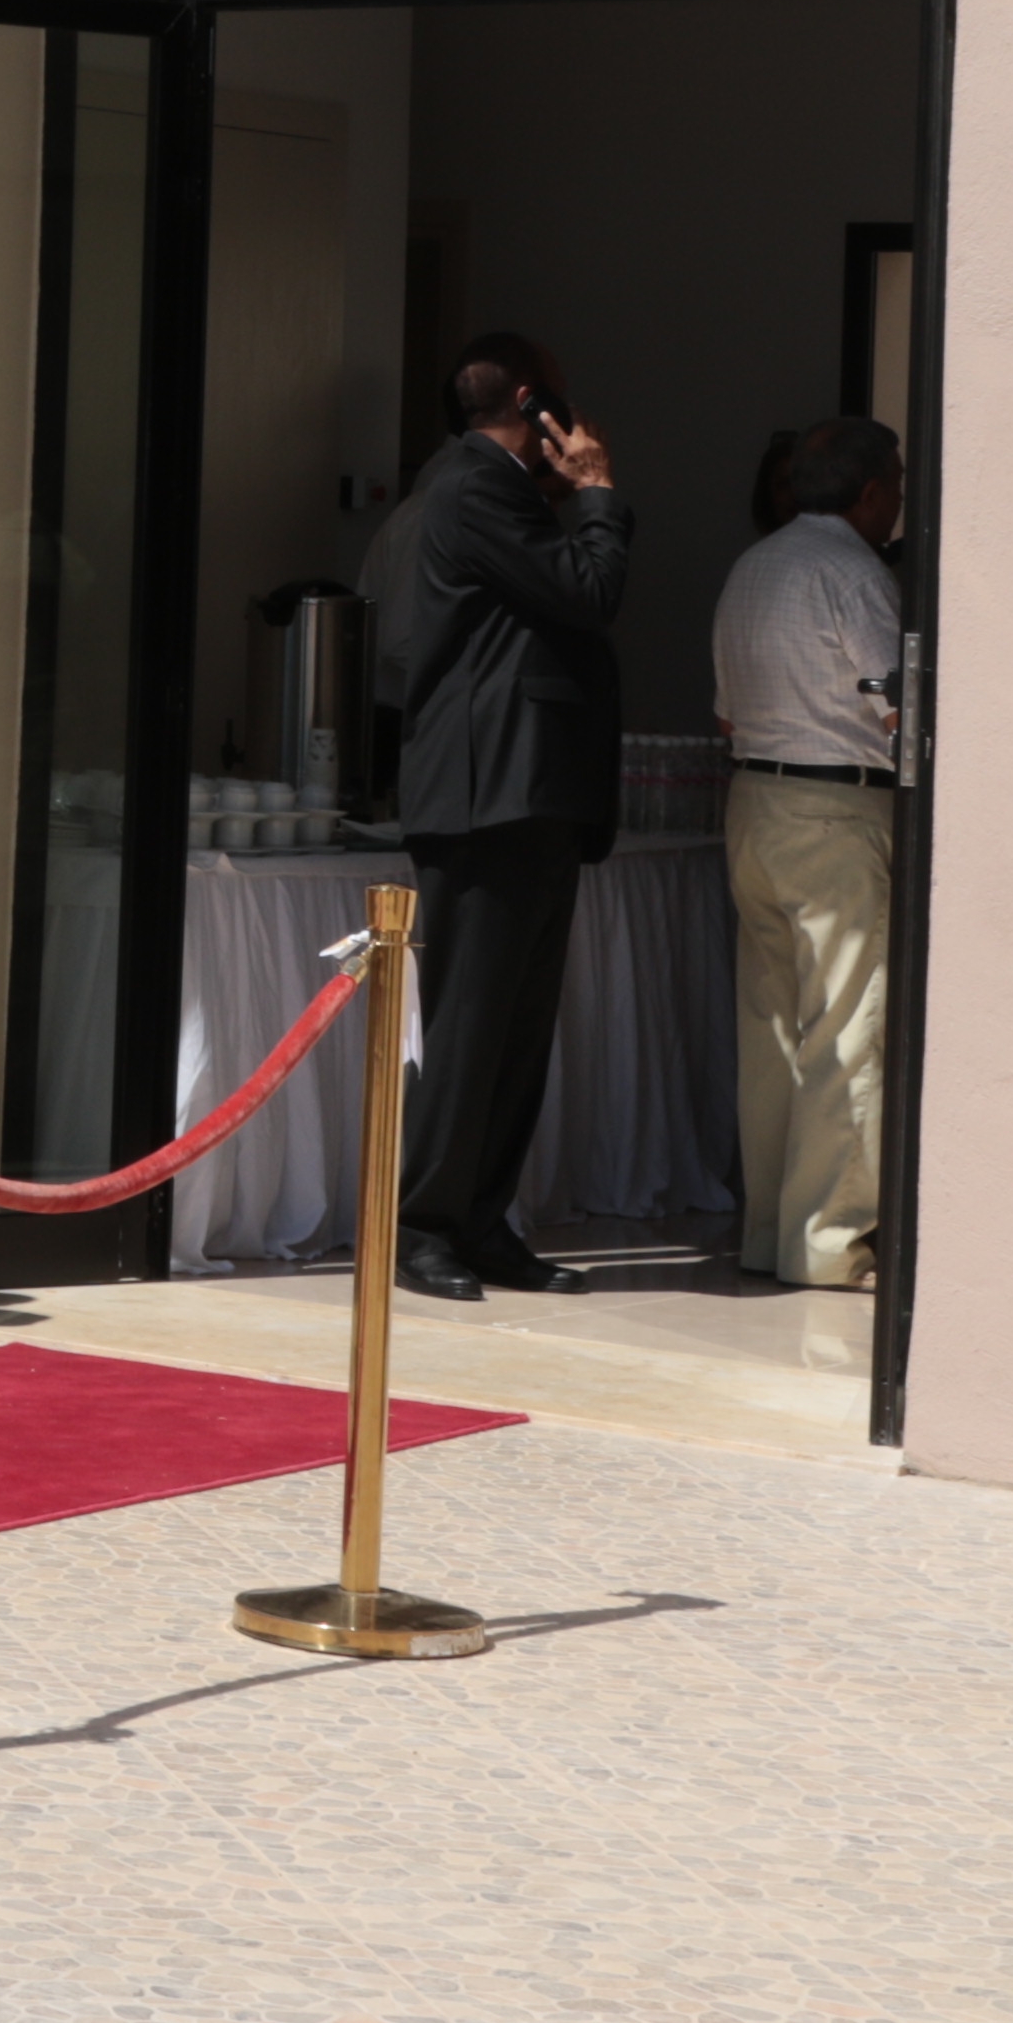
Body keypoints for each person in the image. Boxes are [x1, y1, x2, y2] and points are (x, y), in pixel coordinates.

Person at [386, 330, 630, 1305]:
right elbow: (589, 591)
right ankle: (428, 1228)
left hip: (531, 794)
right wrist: (602, 497)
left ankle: (485, 1222)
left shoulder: (502, 492)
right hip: (493, 793)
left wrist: (568, 507)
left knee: (518, 1032)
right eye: (562, 405)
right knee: (473, 1028)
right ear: (533, 405)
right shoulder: (476, 484)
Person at [711, 412, 905, 1290]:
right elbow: (893, 701)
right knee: (846, 1027)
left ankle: (766, 1233)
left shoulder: (754, 566)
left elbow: (724, 709)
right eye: (896, 485)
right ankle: (827, 1242)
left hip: (753, 800)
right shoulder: (853, 569)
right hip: (835, 807)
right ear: (871, 494)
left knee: (773, 1032)